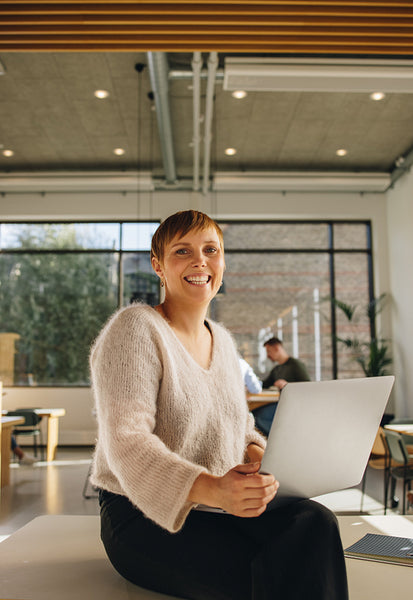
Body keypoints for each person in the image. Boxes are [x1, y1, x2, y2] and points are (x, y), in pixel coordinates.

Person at [90, 210, 348, 600]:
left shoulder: (224, 343)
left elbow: (240, 428)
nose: (200, 261)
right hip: (142, 513)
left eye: (212, 250)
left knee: (316, 523)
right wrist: (213, 490)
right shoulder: (136, 328)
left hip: (215, 505)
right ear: (158, 266)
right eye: (183, 251)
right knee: (278, 567)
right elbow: (126, 442)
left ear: (222, 263)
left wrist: (264, 457)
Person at [253, 337, 310, 436]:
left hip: (293, 404)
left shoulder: (296, 365)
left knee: (260, 417)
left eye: (269, 351)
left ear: (277, 348)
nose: (268, 355)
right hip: (280, 402)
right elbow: (264, 384)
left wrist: (287, 385)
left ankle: (280, 439)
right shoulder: (277, 369)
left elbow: (308, 387)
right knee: (252, 415)